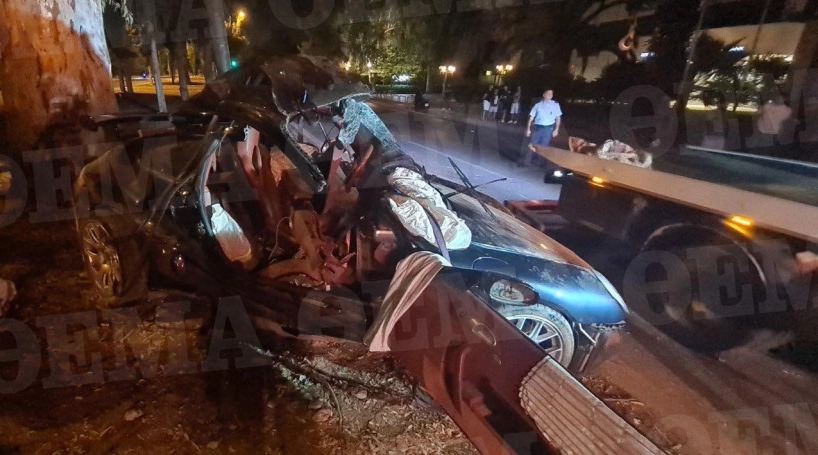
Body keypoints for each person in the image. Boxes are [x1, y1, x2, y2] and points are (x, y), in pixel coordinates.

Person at [521, 89, 562, 166]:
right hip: (538, 128)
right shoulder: (538, 105)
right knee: (532, 144)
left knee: (544, 146)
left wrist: (556, 129)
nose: (550, 96)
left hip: (548, 129)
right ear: (544, 95)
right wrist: (528, 129)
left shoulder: (555, 105)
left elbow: (558, 118)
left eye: (551, 94)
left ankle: (540, 162)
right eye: (548, 94)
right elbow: (531, 117)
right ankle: (527, 161)